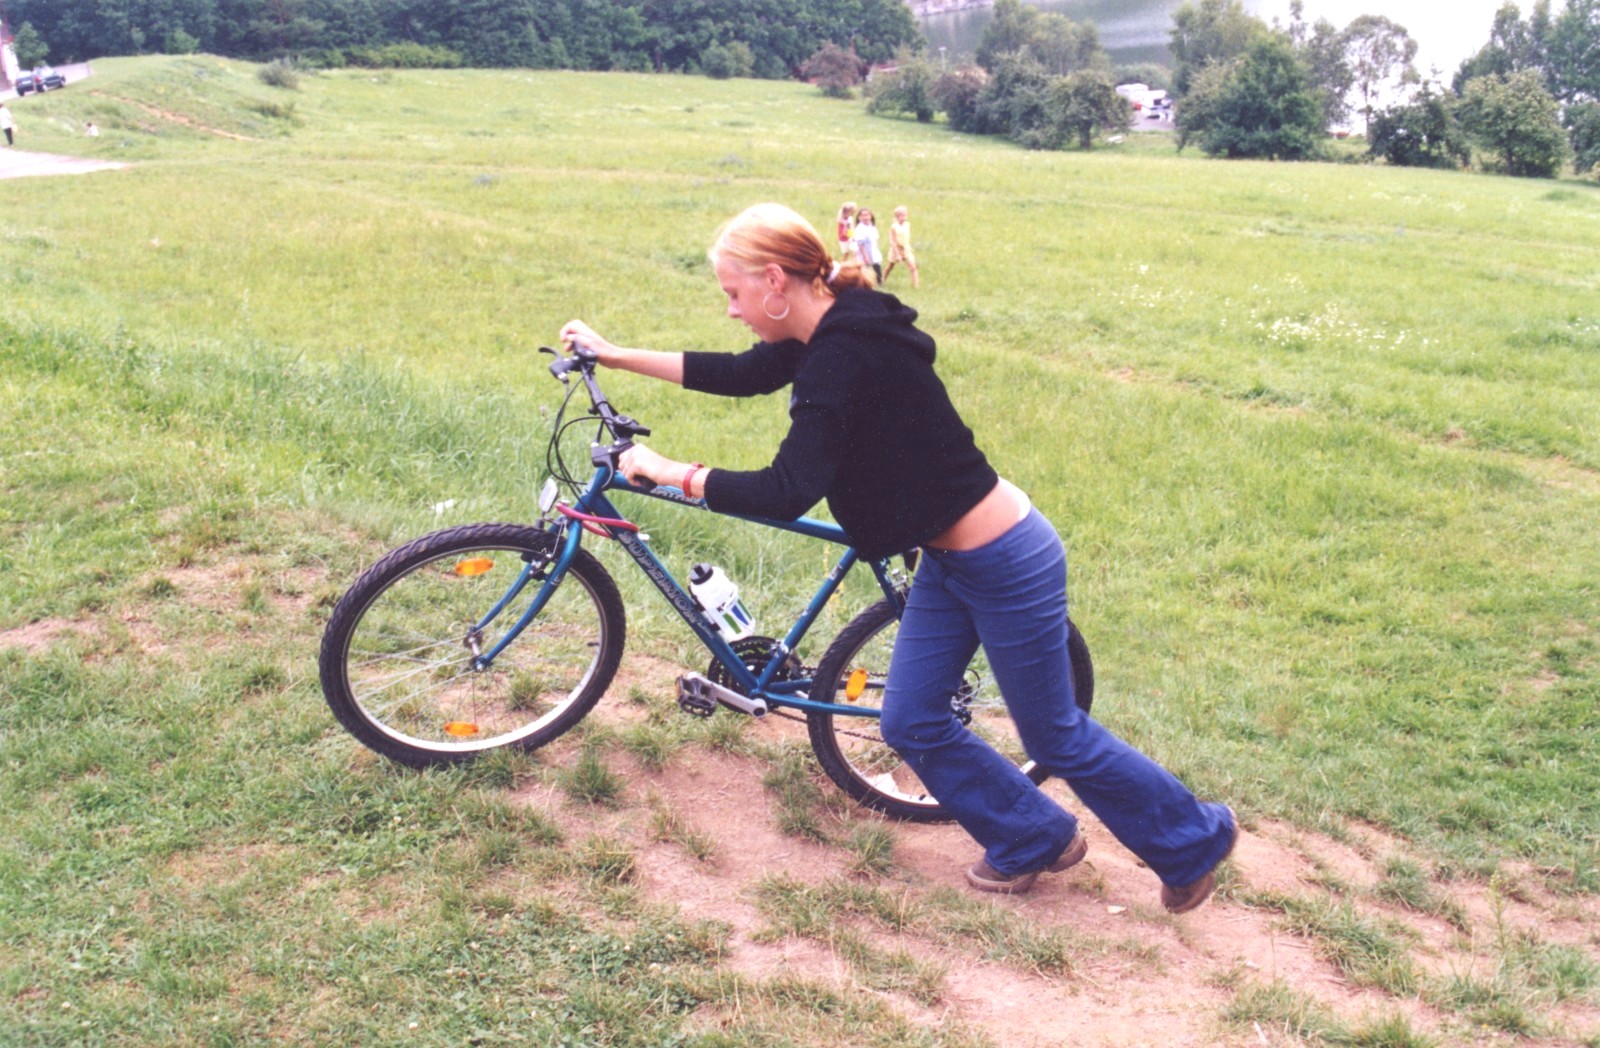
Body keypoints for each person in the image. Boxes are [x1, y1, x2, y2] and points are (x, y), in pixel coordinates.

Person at [558, 203, 1238, 909]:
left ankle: (1195, 838)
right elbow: (741, 372)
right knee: (910, 719)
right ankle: (1032, 836)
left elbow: (787, 489)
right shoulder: (831, 326)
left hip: (1006, 558)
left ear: (774, 281)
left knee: (1054, 735)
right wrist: (614, 353)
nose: (731, 310)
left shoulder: (843, 353)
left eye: (734, 293)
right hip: (947, 561)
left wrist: (673, 472)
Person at [884, 205, 919, 289]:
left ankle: (915, 285)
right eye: (902, 216)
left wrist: (908, 247)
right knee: (890, 266)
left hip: (905, 249)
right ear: (897, 217)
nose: (904, 218)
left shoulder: (907, 225)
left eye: (905, 215)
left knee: (913, 267)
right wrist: (897, 254)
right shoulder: (894, 227)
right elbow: (893, 242)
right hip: (896, 249)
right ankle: (882, 280)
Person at [851, 207, 883, 286]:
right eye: (863, 216)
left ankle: (879, 283)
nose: (866, 217)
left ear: (871, 216)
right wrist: (865, 256)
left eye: (867, 215)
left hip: (873, 251)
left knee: (877, 267)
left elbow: (875, 240)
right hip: (864, 252)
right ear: (859, 217)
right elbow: (860, 244)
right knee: (864, 269)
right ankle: (861, 283)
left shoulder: (872, 226)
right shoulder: (860, 229)